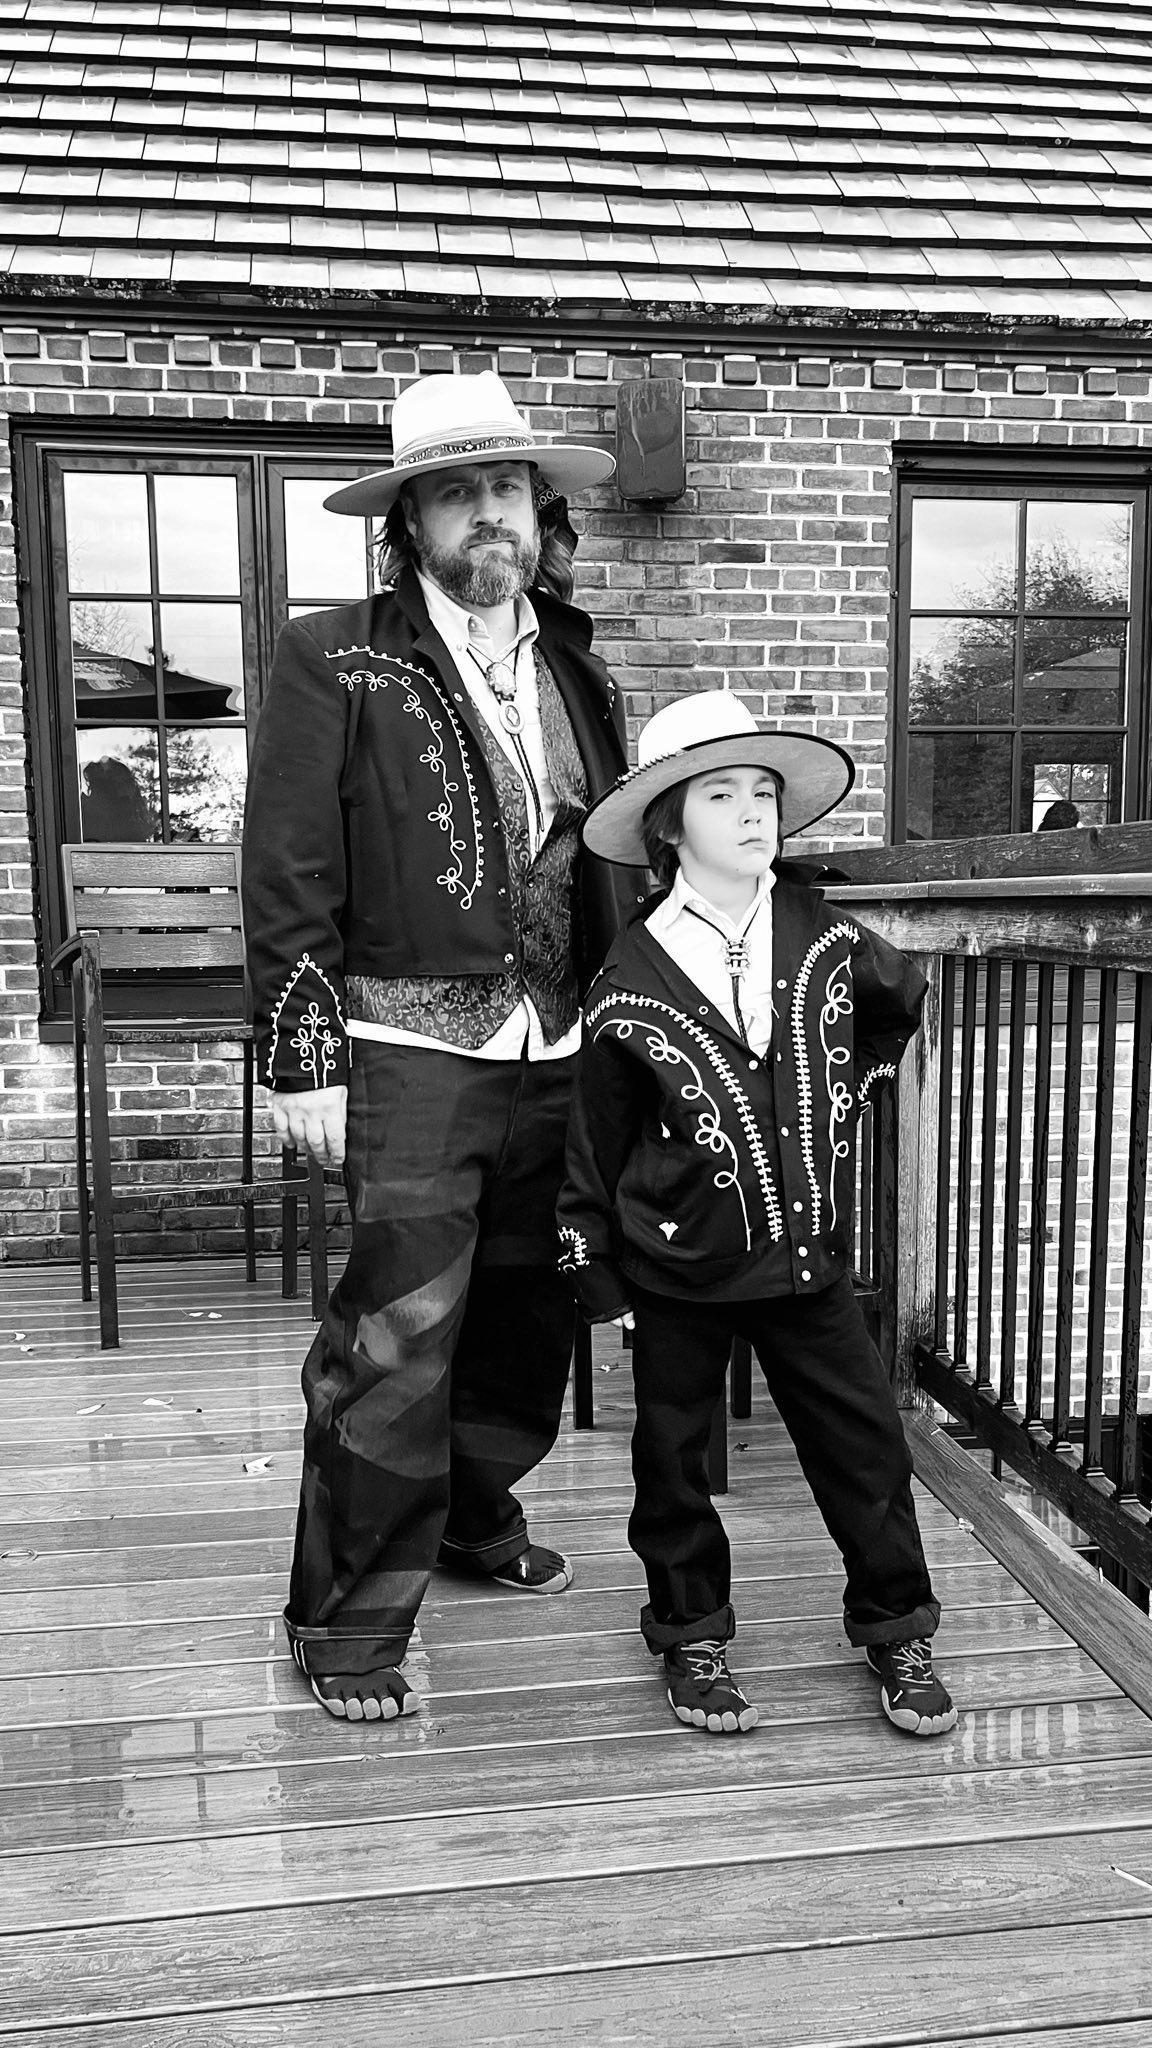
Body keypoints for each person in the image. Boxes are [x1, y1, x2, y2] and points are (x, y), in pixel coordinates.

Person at [242, 372, 635, 1722]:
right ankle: (347, 1620)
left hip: (561, 1037)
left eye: (506, 488)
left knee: (530, 1313)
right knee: (398, 1333)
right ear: (410, 520)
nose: (488, 515)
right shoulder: (334, 655)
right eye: (456, 493)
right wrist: (301, 1052)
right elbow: (288, 857)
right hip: (404, 1042)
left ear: (540, 509)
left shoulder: (579, 661)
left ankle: (472, 1510)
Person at [557, 691, 957, 1739]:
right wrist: (597, 1266)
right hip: (679, 1262)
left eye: (763, 794)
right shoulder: (630, 970)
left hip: (807, 1256)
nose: (750, 813)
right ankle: (691, 1632)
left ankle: (896, 1625)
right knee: (673, 1459)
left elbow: (896, 1004)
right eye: (721, 794)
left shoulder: (823, 935)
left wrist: (839, 1099)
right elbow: (597, 1132)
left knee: (864, 1444)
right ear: (668, 825)